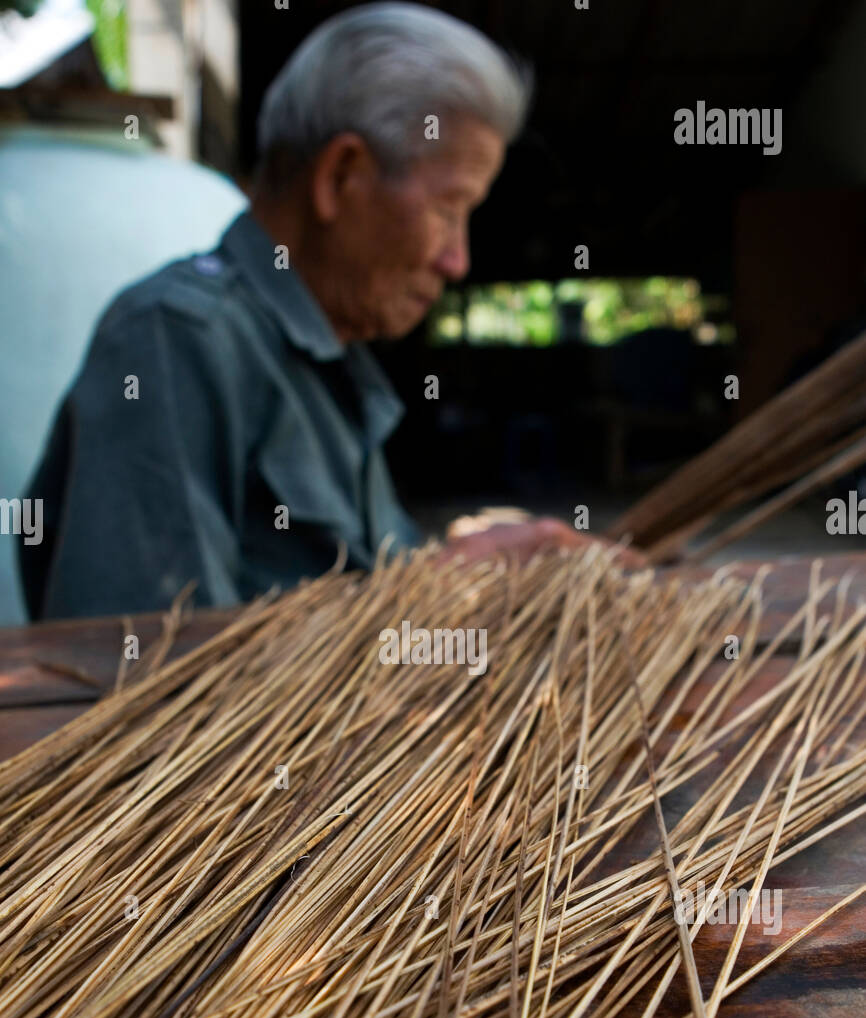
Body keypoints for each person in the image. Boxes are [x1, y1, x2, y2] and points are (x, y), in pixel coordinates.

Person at [20, 3, 586, 622]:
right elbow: (149, 678)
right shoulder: (176, 341)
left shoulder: (333, 364)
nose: (458, 260)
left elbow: (349, 595)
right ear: (341, 175)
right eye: (449, 209)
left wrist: (455, 576)